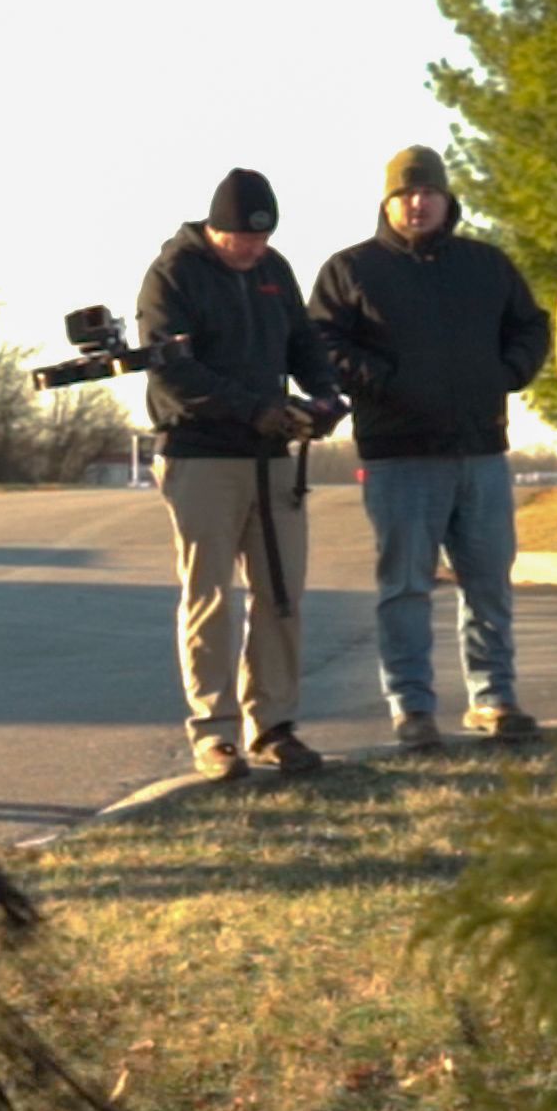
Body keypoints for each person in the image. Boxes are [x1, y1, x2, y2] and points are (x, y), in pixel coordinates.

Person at [311, 145, 553, 750]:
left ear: (448, 200)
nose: (418, 204)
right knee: (406, 588)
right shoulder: (352, 270)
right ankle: (412, 706)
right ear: (388, 202)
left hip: (481, 452)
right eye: (405, 194)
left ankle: (494, 698)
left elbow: (530, 325)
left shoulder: (486, 265)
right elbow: (320, 341)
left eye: (429, 193)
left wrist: (505, 372)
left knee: (489, 581)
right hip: (399, 455)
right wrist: (384, 383)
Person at [135, 167, 341, 780]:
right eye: (241, 240)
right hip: (201, 455)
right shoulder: (173, 274)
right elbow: (173, 370)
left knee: (282, 595)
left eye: (262, 238)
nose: (252, 250)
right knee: (210, 598)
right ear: (214, 228)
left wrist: (325, 394)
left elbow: (303, 342)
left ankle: (274, 726)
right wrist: (255, 409)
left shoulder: (275, 271)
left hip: (272, 458)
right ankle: (215, 734)